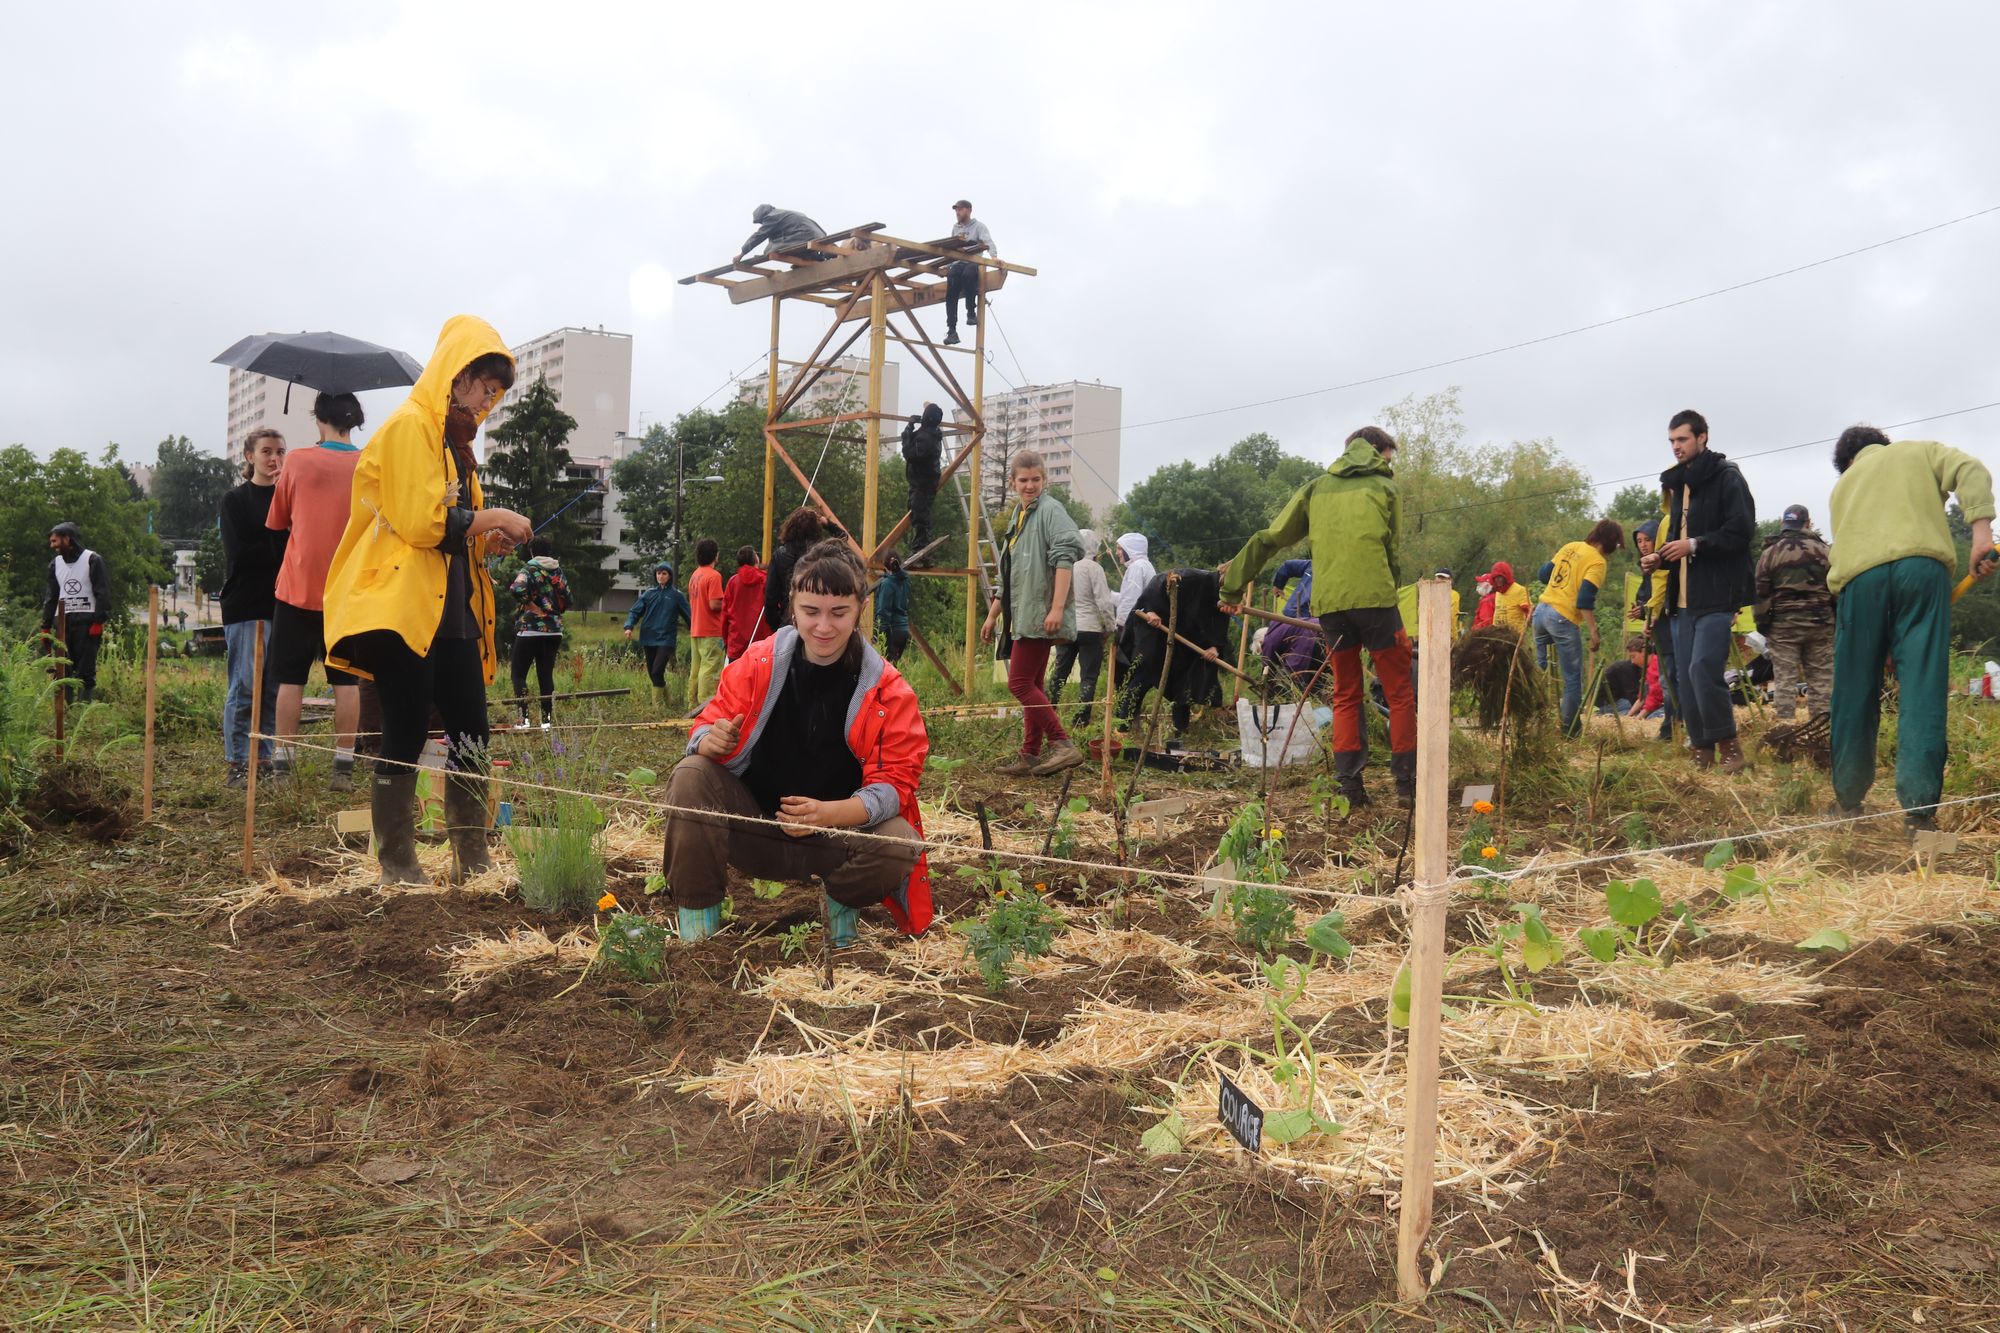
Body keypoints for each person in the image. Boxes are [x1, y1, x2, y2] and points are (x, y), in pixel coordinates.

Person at [322, 315, 533, 886]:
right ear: (455, 375)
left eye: (496, 392)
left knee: (471, 733)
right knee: (405, 731)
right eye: (484, 386)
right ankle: (396, 862)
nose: (489, 399)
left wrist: (487, 540)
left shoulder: (455, 447)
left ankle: (474, 861)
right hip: (402, 607)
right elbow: (421, 522)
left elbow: (451, 533)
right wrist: (493, 517)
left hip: (453, 610)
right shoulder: (409, 428)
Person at [665, 539, 931, 944]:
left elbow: (895, 786)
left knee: (899, 841)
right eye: (811, 612)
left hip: (836, 838)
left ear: (860, 606)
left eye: (839, 613)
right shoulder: (757, 663)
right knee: (691, 774)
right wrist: (708, 740)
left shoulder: (888, 691)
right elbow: (707, 723)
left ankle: (840, 911)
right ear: (792, 604)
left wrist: (829, 814)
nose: (823, 627)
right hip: (754, 830)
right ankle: (698, 935)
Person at [1218, 426, 1415, 807]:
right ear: (1377, 450)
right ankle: (1406, 787)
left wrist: (1231, 588)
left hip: (1330, 607)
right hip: (1376, 602)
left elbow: (1269, 538)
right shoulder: (1386, 488)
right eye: (1387, 458)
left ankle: (1350, 788)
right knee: (1399, 692)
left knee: (1345, 694)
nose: (1388, 465)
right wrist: (1389, 590)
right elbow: (1391, 552)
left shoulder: (1317, 488)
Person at [1826, 426, 1995, 830]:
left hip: (1857, 582)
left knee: (1853, 692)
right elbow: (1970, 470)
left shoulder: (1842, 487)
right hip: (1921, 570)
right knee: (1921, 686)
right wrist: (1981, 535)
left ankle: (1848, 802)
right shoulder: (1918, 452)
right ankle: (1920, 815)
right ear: (1882, 445)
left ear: (1847, 463)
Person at [1641, 410, 1757, 773]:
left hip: (1717, 596)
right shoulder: (1679, 486)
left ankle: (1731, 748)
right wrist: (1660, 558)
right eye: (1672, 441)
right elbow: (1680, 541)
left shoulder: (1728, 478)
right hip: (1681, 601)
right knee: (1684, 679)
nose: (1676, 447)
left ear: (1703, 437)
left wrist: (1695, 544)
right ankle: (1702, 749)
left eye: (1683, 440)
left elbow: (1741, 531)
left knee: (1704, 669)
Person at [266, 391, 367, 788]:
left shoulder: (299, 461)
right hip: (348, 591)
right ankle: (343, 766)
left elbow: (277, 521)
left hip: (297, 588)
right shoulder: (368, 465)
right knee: (346, 681)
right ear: (354, 420)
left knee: (290, 679)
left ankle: (283, 765)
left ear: (317, 418)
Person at [980, 450, 1085, 776]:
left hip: (1040, 615)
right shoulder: (1020, 515)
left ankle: (1062, 744)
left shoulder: (1052, 511)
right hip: (1023, 615)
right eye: (1023, 480)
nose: (1029, 485)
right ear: (1013, 482)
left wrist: (1056, 607)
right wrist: (993, 614)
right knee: (1033, 683)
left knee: (1020, 683)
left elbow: (1065, 558)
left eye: (1035, 480)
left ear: (1044, 480)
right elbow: (1009, 576)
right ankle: (1030, 755)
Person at [217, 428, 289, 787]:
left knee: (274, 688)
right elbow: (241, 554)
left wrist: (277, 537)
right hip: (246, 605)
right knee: (245, 685)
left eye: (279, 452)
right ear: (250, 457)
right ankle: (238, 761)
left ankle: (265, 759)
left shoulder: (290, 499)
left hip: (284, 604)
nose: (274, 458)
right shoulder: (236, 500)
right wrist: (278, 538)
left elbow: (299, 549)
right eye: (266, 451)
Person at [1533, 519, 1624, 738]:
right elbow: (1584, 599)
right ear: (1611, 542)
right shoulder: (1598, 562)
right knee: (1573, 679)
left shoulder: (1571, 546)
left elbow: (1544, 574)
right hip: (1562, 618)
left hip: (1541, 612)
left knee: (1539, 673)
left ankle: (1535, 722)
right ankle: (1570, 731)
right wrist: (1593, 631)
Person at [1119, 568, 1232, 736]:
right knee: (1144, 677)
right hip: (1157, 632)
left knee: (1184, 683)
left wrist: (1215, 646)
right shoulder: (1192, 577)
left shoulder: (1226, 596)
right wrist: (1150, 611)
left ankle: (1181, 730)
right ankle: (1122, 727)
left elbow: (1220, 623)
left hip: (1185, 640)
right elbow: (1156, 584)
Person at [1754, 504, 1834, 721]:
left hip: (1783, 628)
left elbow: (1761, 594)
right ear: (1807, 524)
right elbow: (1837, 587)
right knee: (1821, 683)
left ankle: (1785, 735)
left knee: (1785, 682)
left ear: (1783, 524)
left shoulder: (1770, 553)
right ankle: (1821, 734)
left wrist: (1764, 626)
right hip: (1821, 626)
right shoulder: (1825, 551)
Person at [1047, 528, 1119, 727]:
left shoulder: (1064, 564)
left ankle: (1046, 714)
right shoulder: (1093, 567)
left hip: (1067, 627)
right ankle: (1080, 720)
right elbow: (1103, 601)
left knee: (1059, 673)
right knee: (1088, 676)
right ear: (1094, 547)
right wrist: (1110, 627)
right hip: (1090, 629)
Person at [506, 538, 570, 731]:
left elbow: (516, 588)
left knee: (518, 674)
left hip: (530, 630)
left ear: (532, 551)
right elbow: (569, 598)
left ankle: (524, 720)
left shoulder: (529, 569)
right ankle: (546, 721)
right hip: (554, 631)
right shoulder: (558, 571)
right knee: (545, 675)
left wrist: (531, 606)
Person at [41, 522, 109, 703]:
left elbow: (102, 593)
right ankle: (67, 711)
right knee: (63, 670)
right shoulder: (55, 565)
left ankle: (84, 711)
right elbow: (51, 597)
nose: (52, 545)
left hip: (87, 624)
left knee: (86, 670)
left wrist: (98, 622)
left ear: (67, 539)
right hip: (62, 625)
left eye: (55, 541)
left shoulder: (92, 560)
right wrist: (46, 627)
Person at [1630, 518, 1677, 741]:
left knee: (1674, 680)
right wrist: (1642, 613)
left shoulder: (1667, 567)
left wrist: (1652, 614)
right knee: (1666, 681)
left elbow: (1664, 595)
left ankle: (1672, 728)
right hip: (1659, 633)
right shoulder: (1646, 571)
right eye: (1639, 541)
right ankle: (1671, 728)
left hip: (1673, 626)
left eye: (1648, 540)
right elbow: (1646, 599)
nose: (1643, 545)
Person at [625, 562, 691, 707]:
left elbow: (689, 616)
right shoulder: (649, 594)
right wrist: (629, 626)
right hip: (648, 638)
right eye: (658, 573)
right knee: (653, 673)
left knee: (657, 670)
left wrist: (696, 630)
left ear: (670, 576)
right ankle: (669, 702)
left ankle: (657, 706)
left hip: (666, 639)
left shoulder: (676, 596)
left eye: (664, 573)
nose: (660, 576)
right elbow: (634, 611)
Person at [764, 508, 829, 634]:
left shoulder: (779, 555)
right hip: (817, 621)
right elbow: (843, 538)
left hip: (788, 620)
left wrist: (777, 626)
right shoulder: (823, 554)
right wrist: (828, 524)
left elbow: (770, 599)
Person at [942, 199, 996, 346]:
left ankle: (971, 312)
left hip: (972, 262)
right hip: (958, 263)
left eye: (960, 209)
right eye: (956, 210)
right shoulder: (955, 229)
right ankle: (952, 330)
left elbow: (988, 242)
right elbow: (951, 250)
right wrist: (946, 267)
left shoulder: (978, 226)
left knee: (969, 273)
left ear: (968, 210)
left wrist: (994, 258)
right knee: (952, 281)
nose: (957, 213)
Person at [899, 402, 944, 560]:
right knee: (919, 515)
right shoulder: (932, 434)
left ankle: (921, 551)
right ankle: (921, 551)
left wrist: (908, 430)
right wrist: (911, 428)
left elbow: (909, 453)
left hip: (921, 483)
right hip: (925, 482)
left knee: (920, 517)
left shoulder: (925, 437)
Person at [686, 539, 726, 709]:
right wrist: (730, 603)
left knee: (696, 669)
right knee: (710, 669)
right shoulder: (714, 575)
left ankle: (692, 703)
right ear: (715, 555)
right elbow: (714, 604)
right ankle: (706, 704)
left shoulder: (695, 575)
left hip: (696, 628)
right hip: (712, 630)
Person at [722, 545, 770, 662]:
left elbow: (725, 614)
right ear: (755, 560)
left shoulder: (733, 582)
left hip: (736, 643)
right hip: (761, 641)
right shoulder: (765, 580)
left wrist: (726, 641)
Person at [735, 204, 825, 263]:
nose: (762, 224)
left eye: (761, 222)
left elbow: (759, 236)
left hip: (804, 236)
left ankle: (810, 257)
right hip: (817, 235)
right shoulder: (782, 213)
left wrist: (742, 254)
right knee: (774, 239)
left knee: (770, 250)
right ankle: (811, 257)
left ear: (763, 216)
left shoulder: (771, 217)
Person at [1471, 561, 1531, 633]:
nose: (1497, 580)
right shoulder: (1499, 593)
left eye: (1500, 577)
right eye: (1495, 577)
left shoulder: (1519, 590)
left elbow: (1529, 613)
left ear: (1506, 577)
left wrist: (1528, 612)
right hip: (1499, 635)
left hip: (1515, 635)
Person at [875, 551, 911, 663]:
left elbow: (883, 610)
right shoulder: (905, 581)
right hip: (903, 629)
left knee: (887, 667)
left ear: (885, 565)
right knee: (894, 665)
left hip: (891, 630)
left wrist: (878, 633)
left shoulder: (886, 584)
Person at [1600, 636, 1648, 715]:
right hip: (1606, 702)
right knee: (1630, 705)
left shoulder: (1637, 667)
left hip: (1619, 698)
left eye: (1634, 656)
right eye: (1631, 657)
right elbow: (1633, 695)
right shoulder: (1627, 669)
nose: (1632, 661)